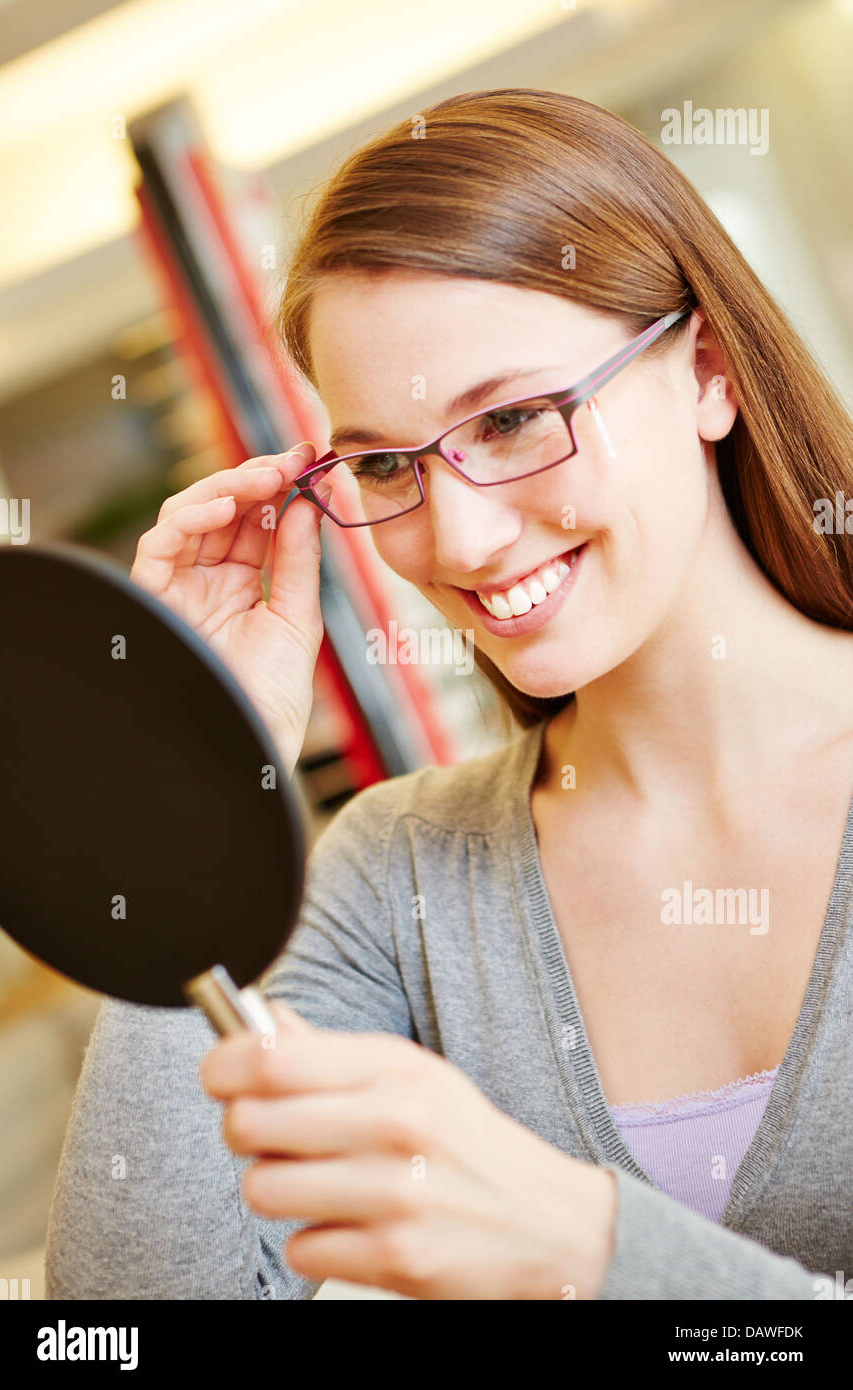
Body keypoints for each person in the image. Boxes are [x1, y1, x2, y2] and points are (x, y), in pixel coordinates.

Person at [46, 88, 853, 1300]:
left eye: (518, 417)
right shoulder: (403, 876)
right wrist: (193, 766)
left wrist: (591, 1249)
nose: (461, 537)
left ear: (706, 371)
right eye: (383, 463)